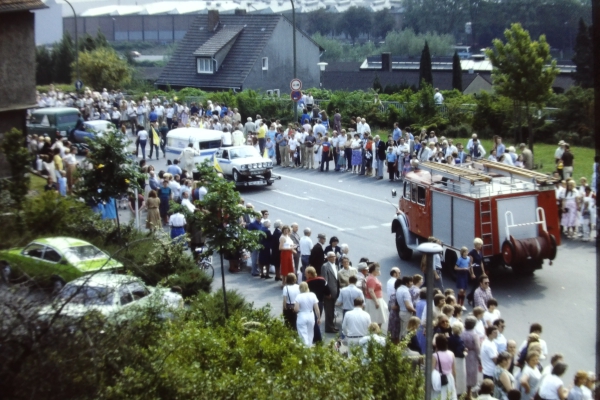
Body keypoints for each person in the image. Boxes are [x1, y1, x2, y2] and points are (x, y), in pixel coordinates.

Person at [305, 266, 329, 343]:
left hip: (311, 304)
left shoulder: (307, 283)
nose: (305, 275)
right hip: (320, 302)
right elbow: (327, 292)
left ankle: (316, 337)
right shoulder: (322, 280)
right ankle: (316, 337)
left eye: (306, 273)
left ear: (309, 273)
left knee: (313, 321)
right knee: (317, 319)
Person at [294, 282, 320, 347]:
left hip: (302, 315)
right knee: (310, 333)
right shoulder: (312, 294)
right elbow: (317, 308)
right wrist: (319, 318)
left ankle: (305, 350)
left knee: (303, 334)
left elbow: (296, 309)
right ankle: (309, 348)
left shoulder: (298, 296)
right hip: (311, 315)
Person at [432, 334, 457, 400]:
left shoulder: (435, 356)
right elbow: (454, 370)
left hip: (439, 380)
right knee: (449, 396)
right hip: (449, 378)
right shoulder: (451, 354)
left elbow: (431, 371)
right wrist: (454, 382)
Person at [321, 251, 340, 333]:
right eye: (332, 257)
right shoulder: (325, 266)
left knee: (332, 310)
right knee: (328, 311)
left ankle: (332, 325)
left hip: (335, 291)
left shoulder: (336, 266)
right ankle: (328, 327)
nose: (333, 258)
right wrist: (327, 292)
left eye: (334, 256)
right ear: (328, 258)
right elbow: (325, 281)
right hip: (329, 292)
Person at [364, 263, 388, 328]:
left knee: (379, 320)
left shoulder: (373, 277)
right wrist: (376, 301)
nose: (378, 271)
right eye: (377, 269)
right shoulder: (371, 279)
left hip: (377, 299)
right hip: (373, 301)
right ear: (373, 270)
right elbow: (371, 291)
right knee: (375, 320)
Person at [448, 322, 467, 397]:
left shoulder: (449, 338)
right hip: (458, 360)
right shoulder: (460, 340)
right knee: (459, 377)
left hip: (450, 358)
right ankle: (458, 393)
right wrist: (464, 353)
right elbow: (459, 352)